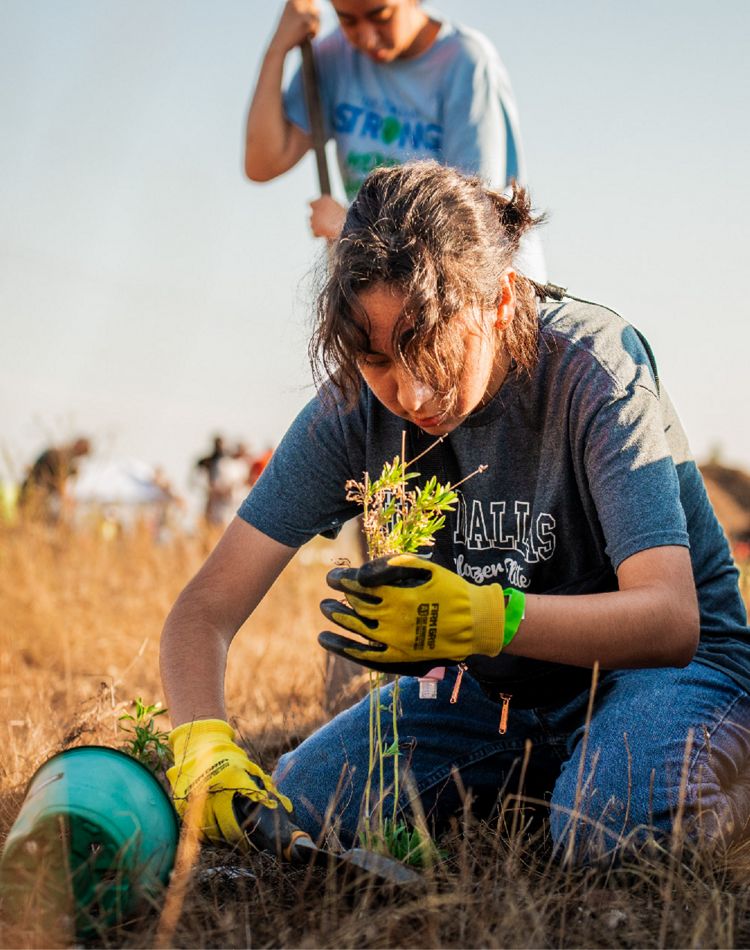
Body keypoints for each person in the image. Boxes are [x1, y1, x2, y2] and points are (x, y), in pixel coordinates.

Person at [161, 161, 750, 864]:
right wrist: (202, 741)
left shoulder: (593, 371)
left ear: (501, 301)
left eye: (431, 346)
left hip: (668, 674)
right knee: (308, 805)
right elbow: (204, 611)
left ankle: (664, 780)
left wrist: (486, 616)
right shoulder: (351, 410)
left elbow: (670, 621)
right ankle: (564, 784)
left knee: (615, 829)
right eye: (377, 359)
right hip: (499, 694)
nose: (409, 393)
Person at [244, 0, 546, 280]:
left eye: (381, 17)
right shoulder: (335, 58)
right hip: (395, 279)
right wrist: (279, 47)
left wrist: (349, 227)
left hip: (481, 287)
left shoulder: (465, 61)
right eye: (347, 21)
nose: (367, 38)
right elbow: (263, 162)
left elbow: (467, 227)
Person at [19, 436, 91, 522]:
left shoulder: (61, 455)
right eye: (81, 454)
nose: (80, 458)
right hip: (34, 494)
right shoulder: (61, 458)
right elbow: (59, 483)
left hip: (34, 492)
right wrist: (67, 500)